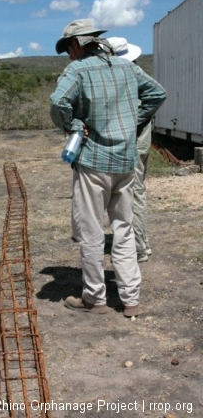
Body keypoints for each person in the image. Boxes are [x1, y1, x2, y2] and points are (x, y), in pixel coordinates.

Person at [50, 19, 166, 317]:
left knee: (91, 232)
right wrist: (132, 121)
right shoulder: (127, 67)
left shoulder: (77, 70)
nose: (69, 55)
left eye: (68, 49)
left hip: (93, 163)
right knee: (124, 229)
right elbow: (157, 93)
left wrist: (73, 124)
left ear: (77, 44)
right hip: (126, 162)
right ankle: (131, 301)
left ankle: (95, 299)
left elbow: (58, 101)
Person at [106, 37, 152, 263]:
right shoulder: (138, 74)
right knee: (137, 191)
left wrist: (132, 122)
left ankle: (139, 247)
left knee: (134, 194)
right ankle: (142, 243)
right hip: (141, 142)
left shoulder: (130, 77)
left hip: (133, 144)